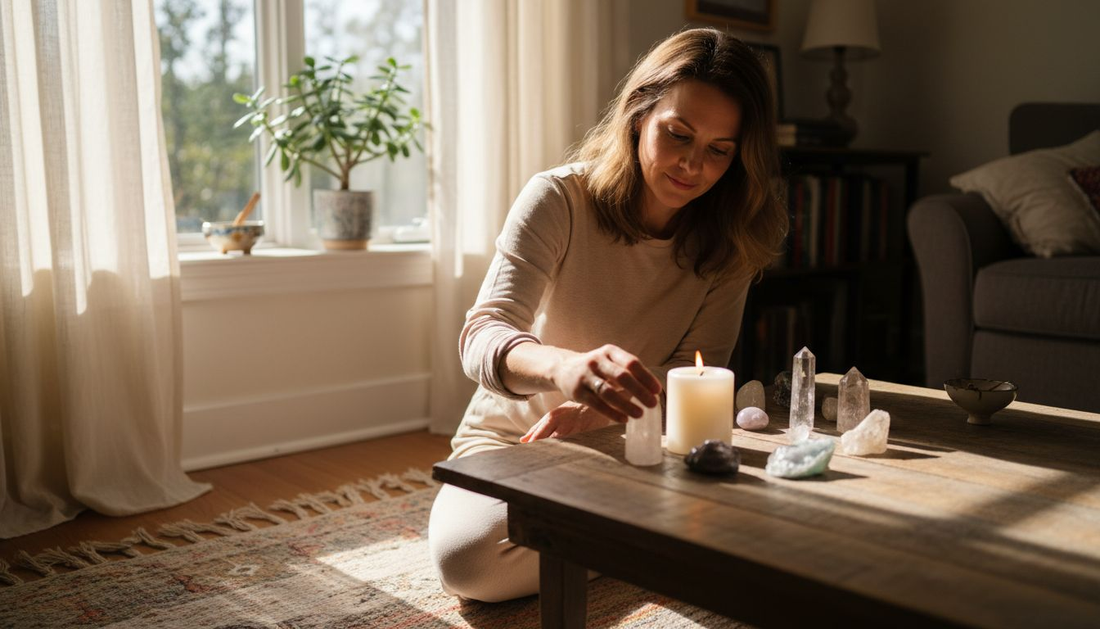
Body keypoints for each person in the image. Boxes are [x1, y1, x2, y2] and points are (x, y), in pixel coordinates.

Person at [428, 27, 787, 603]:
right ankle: (666, 537)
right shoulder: (557, 200)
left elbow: (697, 372)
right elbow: (483, 335)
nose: (693, 165)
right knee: (471, 565)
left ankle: (640, 532)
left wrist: (603, 419)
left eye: (720, 150)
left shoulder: (731, 240)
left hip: (637, 449)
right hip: (514, 440)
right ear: (640, 112)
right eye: (679, 134)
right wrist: (566, 369)